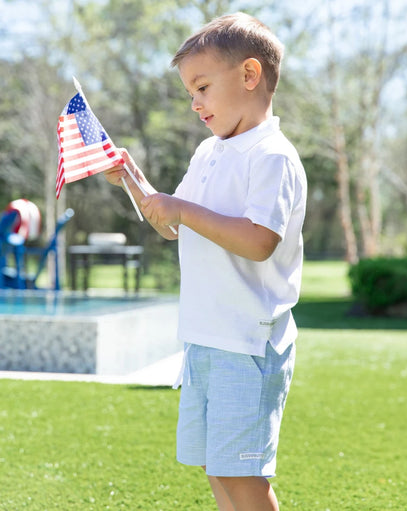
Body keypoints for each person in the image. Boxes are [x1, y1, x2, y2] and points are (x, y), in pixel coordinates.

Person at [105, 12, 307, 511]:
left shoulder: (271, 155)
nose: (195, 104)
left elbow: (260, 240)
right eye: (189, 93)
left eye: (202, 87)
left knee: (241, 475)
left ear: (249, 75)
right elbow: (172, 222)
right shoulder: (209, 152)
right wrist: (134, 182)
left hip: (247, 342)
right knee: (217, 467)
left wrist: (183, 208)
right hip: (206, 337)